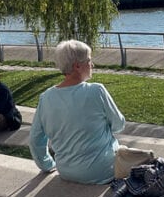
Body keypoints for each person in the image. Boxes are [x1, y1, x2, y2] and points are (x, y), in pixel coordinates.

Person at [30, 40, 125, 184]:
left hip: (66, 171)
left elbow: (35, 140)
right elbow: (119, 125)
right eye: (89, 60)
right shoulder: (96, 91)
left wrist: (48, 165)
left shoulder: (46, 98)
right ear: (77, 66)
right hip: (102, 171)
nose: (92, 65)